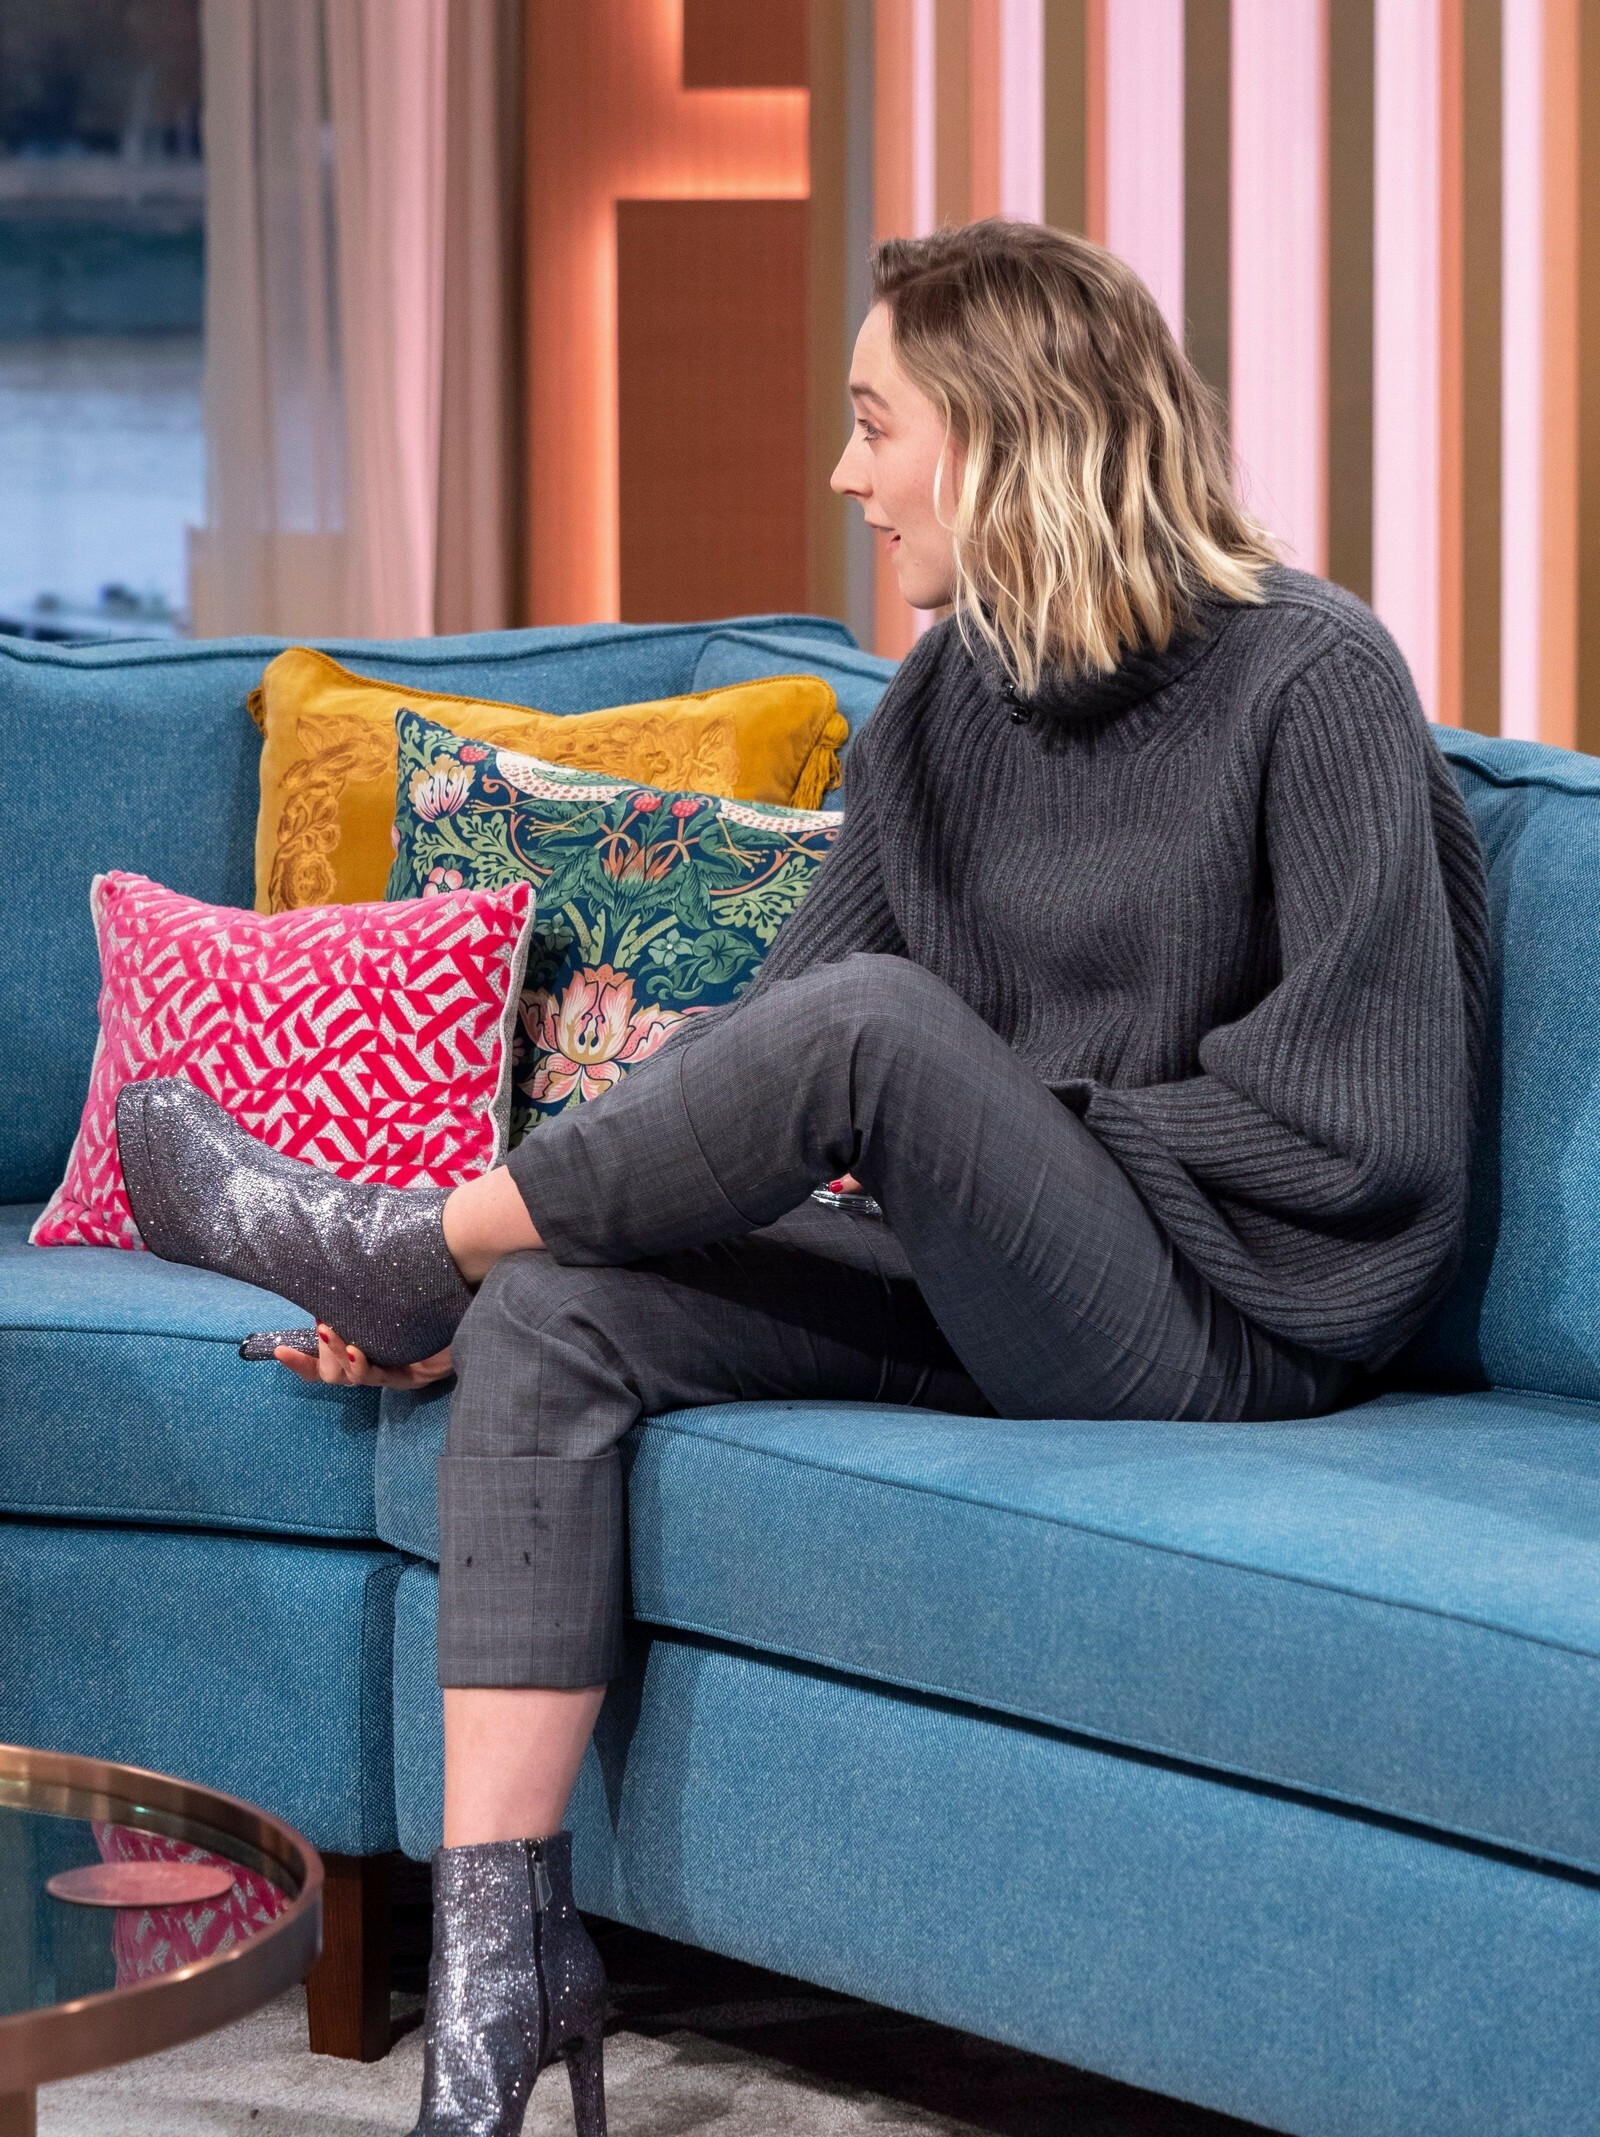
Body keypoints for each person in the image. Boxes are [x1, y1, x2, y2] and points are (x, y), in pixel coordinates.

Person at [115, 219, 1488, 2137]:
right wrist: (603, 1243)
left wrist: (1004, 1131)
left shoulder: (1311, 675)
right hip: (977, 1280)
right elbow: (763, 1055)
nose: (846, 475)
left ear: (1011, 434)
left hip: (1220, 1319)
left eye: (874, 421)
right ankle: (506, 1987)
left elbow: (1372, 1130)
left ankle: (408, 1243)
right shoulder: (945, 706)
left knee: (884, 1036)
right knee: (560, 1309)